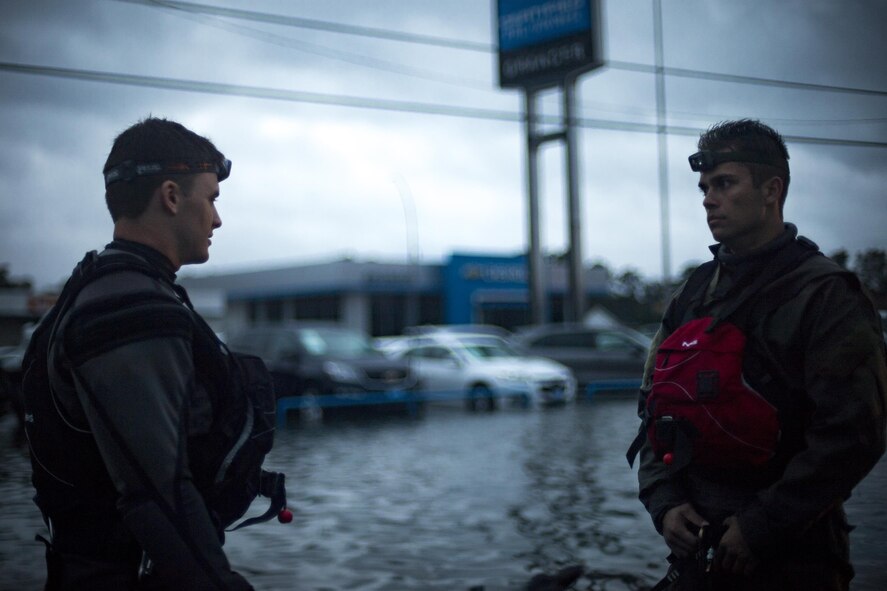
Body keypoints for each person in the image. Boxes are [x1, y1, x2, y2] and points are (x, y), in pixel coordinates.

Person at [629, 119, 887, 590]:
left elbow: (855, 434)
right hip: (696, 554)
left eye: (725, 184)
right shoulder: (691, 294)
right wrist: (664, 502)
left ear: (772, 190)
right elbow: (652, 410)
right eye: (705, 187)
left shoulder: (826, 294)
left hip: (793, 558)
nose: (708, 198)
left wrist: (760, 527)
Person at [22, 117, 261, 590]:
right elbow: (158, 495)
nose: (217, 219)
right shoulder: (130, 311)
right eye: (211, 199)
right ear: (171, 197)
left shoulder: (99, 290)